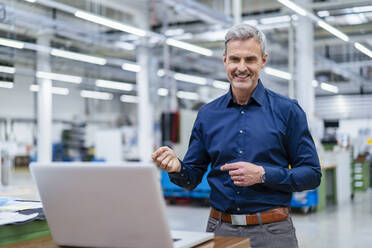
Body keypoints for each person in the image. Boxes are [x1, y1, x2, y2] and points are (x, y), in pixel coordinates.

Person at [152, 23, 321, 248]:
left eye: (250, 59)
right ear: (225, 61)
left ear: (263, 60)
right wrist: (177, 168)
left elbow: (311, 174)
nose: (241, 68)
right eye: (235, 59)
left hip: (273, 232)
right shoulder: (208, 114)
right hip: (220, 229)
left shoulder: (287, 111)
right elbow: (192, 177)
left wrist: (263, 174)